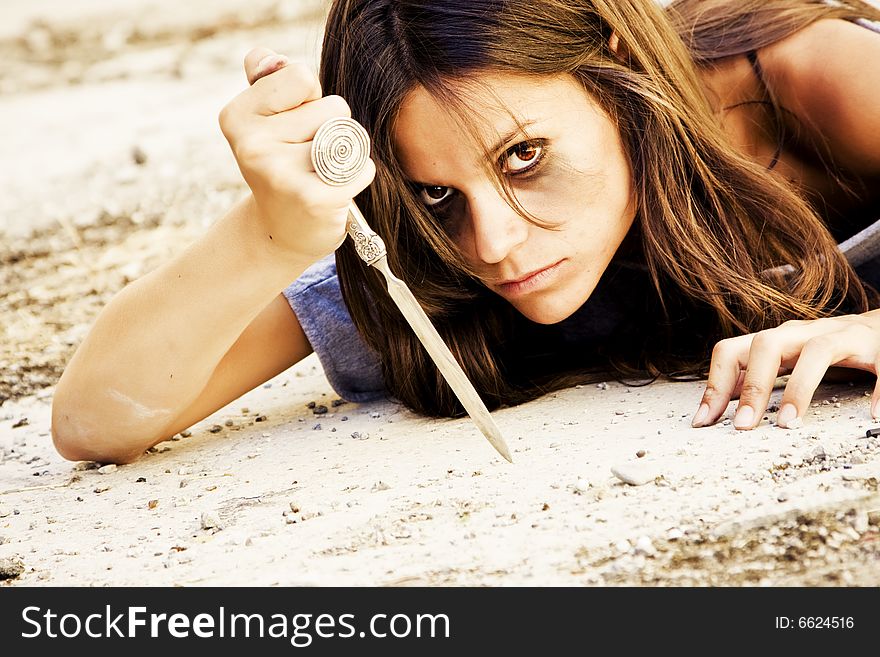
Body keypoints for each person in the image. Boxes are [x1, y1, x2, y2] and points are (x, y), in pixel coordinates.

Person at [50, 0, 880, 464]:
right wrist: (270, 233)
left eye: (525, 155)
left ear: (619, 68)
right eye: (438, 192)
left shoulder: (805, 79)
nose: (493, 244)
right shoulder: (433, 266)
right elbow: (97, 419)